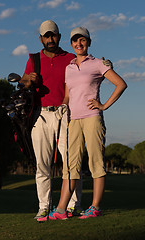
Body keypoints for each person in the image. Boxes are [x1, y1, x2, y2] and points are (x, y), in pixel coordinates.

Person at [41, 27, 127, 220]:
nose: (79, 44)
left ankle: (95, 207)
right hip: (72, 120)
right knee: (70, 167)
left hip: (92, 118)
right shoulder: (69, 68)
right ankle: (61, 210)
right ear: (71, 44)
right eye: (75, 41)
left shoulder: (97, 64)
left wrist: (104, 105)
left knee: (96, 162)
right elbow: (68, 95)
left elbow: (121, 84)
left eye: (83, 40)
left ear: (88, 42)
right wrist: (63, 107)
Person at [20, 20, 83, 220]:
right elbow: (23, 81)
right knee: (42, 164)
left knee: (71, 161)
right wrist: (29, 80)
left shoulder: (71, 57)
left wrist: (106, 65)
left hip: (66, 113)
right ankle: (44, 206)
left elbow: (86, 71)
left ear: (59, 36)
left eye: (53, 35)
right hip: (40, 113)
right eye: (46, 36)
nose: (50, 39)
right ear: (40, 38)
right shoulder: (34, 59)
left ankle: (72, 205)